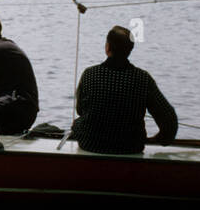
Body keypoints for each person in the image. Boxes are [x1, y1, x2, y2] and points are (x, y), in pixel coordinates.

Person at [70, 25, 177, 154]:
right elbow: (169, 118)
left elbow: (80, 109)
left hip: (90, 144)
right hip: (130, 147)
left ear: (107, 48)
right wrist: (162, 139)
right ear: (130, 50)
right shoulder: (142, 79)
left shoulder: (90, 74)